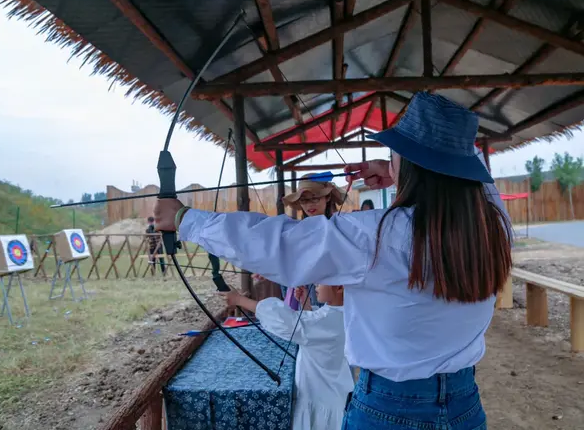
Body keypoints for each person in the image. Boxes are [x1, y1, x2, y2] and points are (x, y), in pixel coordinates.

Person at [154, 92, 512, 429]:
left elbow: (281, 245)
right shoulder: (494, 225)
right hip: (464, 406)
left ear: (412, 165)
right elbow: (474, 179)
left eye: (395, 155)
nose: (390, 161)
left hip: (391, 410)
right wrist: (401, 170)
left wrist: (186, 219)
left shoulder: (379, 234)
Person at [219, 283, 353, 430]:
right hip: (330, 395)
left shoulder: (329, 320)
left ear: (340, 288)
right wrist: (305, 305)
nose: (316, 284)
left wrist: (240, 300)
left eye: (321, 281)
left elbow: (291, 323)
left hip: (321, 401)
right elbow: (313, 326)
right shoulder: (342, 314)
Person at [279, 174, 345, 310]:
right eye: (304, 200)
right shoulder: (297, 230)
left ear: (327, 197)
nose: (309, 205)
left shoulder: (340, 226)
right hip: (303, 290)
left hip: (333, 292)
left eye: (314, 198)